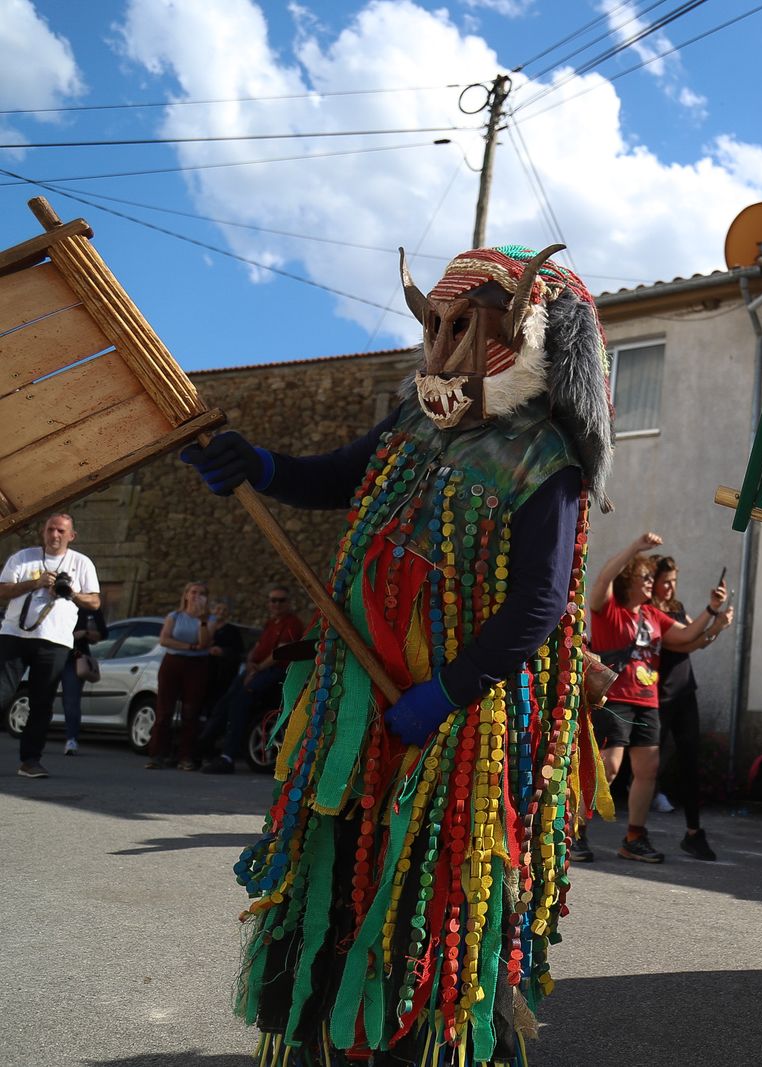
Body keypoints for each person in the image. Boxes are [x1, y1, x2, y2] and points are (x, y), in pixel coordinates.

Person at [178, 242, 614, 1061]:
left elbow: (539, 607)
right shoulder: (415, 417)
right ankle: (326, 1042)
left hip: (450, 734)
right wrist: (263, 465)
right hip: (356, 706)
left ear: (524, 333)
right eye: (435, 324)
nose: (442, 347)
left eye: (464, 326)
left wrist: (445, 691)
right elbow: (340, 475)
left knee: (422, 895)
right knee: (336, 875)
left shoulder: (546, 462)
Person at [588, 531, 725, 862]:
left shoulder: (653, 615)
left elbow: (688, 634)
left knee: (648, 769)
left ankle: (634, 837)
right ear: (629, 580)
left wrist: (712, 609)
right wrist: (634, 547)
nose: (651, 582)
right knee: (609, 768)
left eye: (651, 577)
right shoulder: (608, 609)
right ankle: (574, 831)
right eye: (645, 577)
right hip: (615, 699)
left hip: (647, 701)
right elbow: (604, 576)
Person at [0, 512, 101, 779]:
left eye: (60, 531)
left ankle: (30, 761)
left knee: (42, 703)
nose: (54, 535)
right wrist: (35, 583)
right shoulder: (23, 558)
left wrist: (72, 593)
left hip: (55, 642)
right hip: (14, 637)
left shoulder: (82, 563)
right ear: (43, 532)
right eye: (50, 530)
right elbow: (2, 591)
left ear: (72, 535)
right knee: (1, 692)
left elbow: (95, 603)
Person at [651, 554, 734, 860]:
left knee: (690, 763)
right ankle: (632, 831)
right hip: (658, 696)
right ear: (654, 582)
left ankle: (693, 832)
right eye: (665, 582)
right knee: (644, 766)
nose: (671, 587)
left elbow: (698, 640)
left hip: (685, 693)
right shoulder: (649, 612)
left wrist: (717, 625)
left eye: (674, 581)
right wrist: (712, 615)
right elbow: (683, 641)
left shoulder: (676, 608)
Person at [200, 586, 306, 774]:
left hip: (275, 672)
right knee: (224, 705)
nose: (276, 604)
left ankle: (228, 756)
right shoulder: (270, 623)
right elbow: (257, 647)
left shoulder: (292, 624)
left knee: (239, 704)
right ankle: (203, 748)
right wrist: (250, 662)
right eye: (273, 600)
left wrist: (256, 669)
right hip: (256, 670)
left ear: (288, 603)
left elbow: (278, 654)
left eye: (281, 600)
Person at [146, 581, 213, 770]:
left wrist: (202, 622)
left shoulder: (210, 620)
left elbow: (205, 643)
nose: (196, 596)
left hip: (197, 666)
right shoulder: (174, 616)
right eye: (193, 592)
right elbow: (165, 639)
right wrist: (189, 646)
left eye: (201, 593)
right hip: (173, 663)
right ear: (186, 595)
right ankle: (158, 754)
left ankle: (186, 757)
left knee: (191, 712)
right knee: (164, 710)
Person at [60, 601, 108, 756]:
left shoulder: (89, 606)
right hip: (52, 652)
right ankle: (34, 736)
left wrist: (85, 633)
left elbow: (102, 633)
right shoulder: (55, 601)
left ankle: (71, 739)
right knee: (42, 696)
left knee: (71, 699)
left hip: (75, 655)